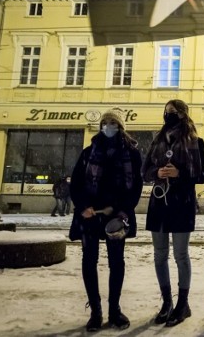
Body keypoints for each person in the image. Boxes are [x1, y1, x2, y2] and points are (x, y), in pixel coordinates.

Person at [68, 108, 143, 332]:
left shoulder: (131, 154)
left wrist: (119, 208)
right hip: (90, 216)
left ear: (120, 127)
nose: (108, 125)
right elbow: (76, 184)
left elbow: (135, 188)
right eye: (105, 122)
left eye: (113, 122)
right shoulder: (89, 152)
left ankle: (114, 310)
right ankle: (96, 312)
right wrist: (83, 206)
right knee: (89, 262)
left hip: (116, 217)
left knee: (116, 262)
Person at [142, 99, 204, 327]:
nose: (169, 115)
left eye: (174, 112)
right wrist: (156, 171)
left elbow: (201, 176)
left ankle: (183, 304)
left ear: (183, 114)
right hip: (159, 203)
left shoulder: (195, 142)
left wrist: (180, 172)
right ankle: (167, 302)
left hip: (182, 203)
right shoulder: (157, 141)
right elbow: (145, 171)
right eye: (167, 111)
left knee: (181, 255)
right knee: (160, 254)